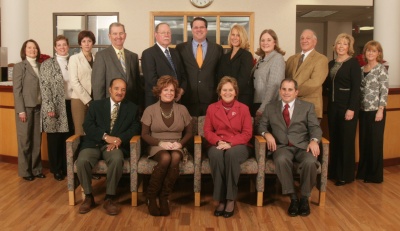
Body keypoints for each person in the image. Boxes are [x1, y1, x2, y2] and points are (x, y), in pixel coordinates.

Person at [76, 78, 140, 216]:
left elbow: (135, 128)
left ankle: (109, 198)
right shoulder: (96, 105)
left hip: (115, 146)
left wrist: (118, 140)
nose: (119, 92)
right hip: (94, 143)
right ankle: (88, 196)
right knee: (82, 160)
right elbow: (87, 125)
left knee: (117, 159)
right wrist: (105, 137)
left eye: (123, 90)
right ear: (110, 89)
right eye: (116, 88)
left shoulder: (132, 108)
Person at [258, 78, 322, 217]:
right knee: (281, 160)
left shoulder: (307, 107)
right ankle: (293, 197)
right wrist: (266, 134)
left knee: (310, 162)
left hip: (303, 146)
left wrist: (314, 140)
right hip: (282, 147)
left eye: (290, 89)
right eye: (284, 89)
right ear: (280, 91)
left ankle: (304, 198)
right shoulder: (270, 107)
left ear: (296, 92)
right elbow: (261, 125)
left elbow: (315, 128)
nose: (286, 92)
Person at [141, 75, 192, 216]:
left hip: (177, 144)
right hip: (156, 144)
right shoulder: (150, 110)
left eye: (172, 90)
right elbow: (144, 134)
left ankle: (164, 197)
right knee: (165, 158)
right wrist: (160, 143)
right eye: (165, 90)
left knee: (175, 157)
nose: (169, 93)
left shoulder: (182, 109)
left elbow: (189, 133)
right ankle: (151, 197)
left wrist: (179, 144)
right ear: (159, 92)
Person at [204, 76, 252, 218]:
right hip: (217, 143)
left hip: (239, 144)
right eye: (224, 90)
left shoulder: (243, 109)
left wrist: (230, 143)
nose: (227, 93)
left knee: (231, 154)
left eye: (230, 90)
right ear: (220, 92)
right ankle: (221, 199)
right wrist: (219, 142)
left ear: (235, 92)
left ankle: (230, 198)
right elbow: (207, 131)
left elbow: (247, 133)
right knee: (217, 155)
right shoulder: (212, 108)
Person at [324, 33, 361, 186]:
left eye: (344, 44)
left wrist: (351, 108)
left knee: (346, 141)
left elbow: (356, 89)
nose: (341, 46)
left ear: (349, 47)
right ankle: (334, 172)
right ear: (335, 46)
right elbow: (326, 85)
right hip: (333, 107)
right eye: (339, 43)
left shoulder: (353, 64)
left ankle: (345, 175)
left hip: (347, 107)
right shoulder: (331, 64)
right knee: (335, 139)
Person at [40, 35, 74, 181]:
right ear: (55, 47)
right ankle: (56, 168)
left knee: (68, 137)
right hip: (54, 105)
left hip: (71, 103)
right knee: (55, 138)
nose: (62, 47)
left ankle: (67, 167)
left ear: (68, 46)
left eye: (64, 45)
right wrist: (49, 106)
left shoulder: (73, 61)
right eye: (59, 45)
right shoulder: (47, 64)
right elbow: (44, 87)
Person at [176, 17, 223, 116]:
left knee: (208, 129)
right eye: (196, 27)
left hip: (211, 99)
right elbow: (179, 72)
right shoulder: (180, 48)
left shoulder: (217, 49)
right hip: (188, 98)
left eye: (202, 27)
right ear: (192, 29)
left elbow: (220, 74)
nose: (199, 30)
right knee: (190, 130)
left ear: (206, 29)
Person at [356, 40, 389, 183]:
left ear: (378, 53)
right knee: (364, 142)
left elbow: (384, 91)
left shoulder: (381, 69)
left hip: (376, 110)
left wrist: (380, 110)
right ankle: (363, 172)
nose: (370, 53)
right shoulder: (361, 69)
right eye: (368, 50)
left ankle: (374, 175)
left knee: (375, 143)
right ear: (365, 53)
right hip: (363, 110)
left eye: (374, 51)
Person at [12, 39, 45, 181]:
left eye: (35, 48)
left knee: (37, 140)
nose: (32, 50)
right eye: (29, 48)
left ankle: (36, 169)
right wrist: (21, 110)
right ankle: (25, 171)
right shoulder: (20, 67)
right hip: (25, 108)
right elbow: (17, 90)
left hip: (39, 107)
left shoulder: (40, 66)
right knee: (25, 140)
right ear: (24, 51)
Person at [91, 22, 143, 107]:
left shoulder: (133, 56)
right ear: (109, 36)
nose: (118, 36)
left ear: (125, 35)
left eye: (121, 33)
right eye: (115, 34)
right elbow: (98, 86)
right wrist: (100, 108)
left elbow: (137, 85)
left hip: (131, 106)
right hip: (110, 105)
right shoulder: (101, 56)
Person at [285, 29, 328, 119]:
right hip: (291, 108)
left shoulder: (321, 59)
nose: (304, 40)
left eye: (308, 38)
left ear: (315, 41)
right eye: (302, 38)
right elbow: (286, 80)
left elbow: (314, 83)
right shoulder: (291, 59)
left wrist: (292, 93)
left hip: (310, 109)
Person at [142, 23, 187, 108]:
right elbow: (151, 79)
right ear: (156, 35)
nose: (166, 35)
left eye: (168, 33)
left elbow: (183, 75)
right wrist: (169, 92)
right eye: (163, 33)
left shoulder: (176, 53)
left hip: (177, 100)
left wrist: (180, 91)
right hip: (156, 101)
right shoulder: (148, 53)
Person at [217, 24, 253, 108]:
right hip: (225, 98)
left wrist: (231, 94)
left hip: (241, 98)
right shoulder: (225, 56)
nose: (235, 37)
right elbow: (220, 78)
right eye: (233, 34)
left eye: (238, 35)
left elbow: (243, 79)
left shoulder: (246, 55)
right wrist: (224, 93)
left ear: (242, 38)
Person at [252, 29, 285, 117]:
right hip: (257, 102)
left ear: (275, 42)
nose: (265, 43)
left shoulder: (277, 58)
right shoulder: (261, 59)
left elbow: (274, 86)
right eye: (262, 40)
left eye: (269, 40)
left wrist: (263, 108)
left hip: (268, 106)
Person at [69, 30, 96, 135]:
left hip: (94, 99)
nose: (86, 44)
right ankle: (77, 152)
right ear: (80, 43)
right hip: (79, 99)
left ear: (92, 43)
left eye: (89, 41)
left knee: (92, 130)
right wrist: (87, 100)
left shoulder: (97, 58)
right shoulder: (74, 58)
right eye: (83, 41)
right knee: (80, 132)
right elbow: (74, 82)